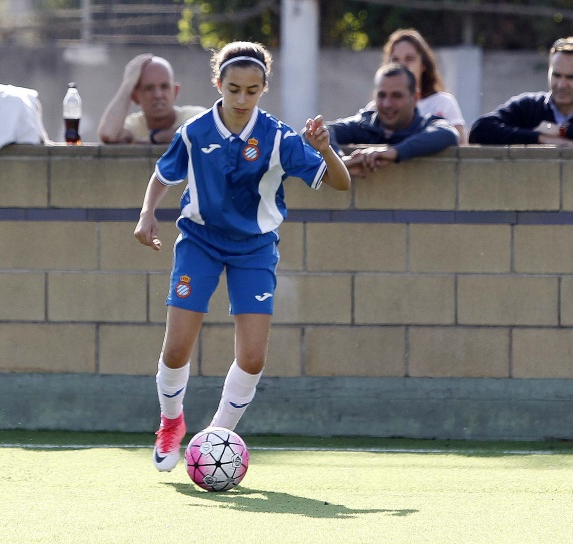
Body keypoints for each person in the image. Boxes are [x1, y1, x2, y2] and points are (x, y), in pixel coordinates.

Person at [134, 41, 350, 472]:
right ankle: (171, 422)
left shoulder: (280, 137)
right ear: (218, 83)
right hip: (199, 241)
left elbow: (341, 184)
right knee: (176, 349)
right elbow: (163, 174)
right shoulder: (195, 131)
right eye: (233, 88)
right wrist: (146, 214)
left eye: (252, 91)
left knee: (252, 357)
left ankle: (215, 437)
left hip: (254, 249)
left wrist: (325, 147)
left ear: (263, 89)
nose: (241, 99)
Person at [468, 36, 573, 146]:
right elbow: (480, 130)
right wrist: (541, 139)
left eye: (570, 77)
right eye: (556, 75)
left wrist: (563, 131)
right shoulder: (528, 107)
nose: (561, 84)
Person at [327, 63, 459, 178]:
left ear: (415, 98)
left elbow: (448, 133)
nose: (387, 104)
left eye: (396, 96)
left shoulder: (424, 124)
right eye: (382, 95)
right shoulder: (365, 124)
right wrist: (340, 162)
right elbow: (319, 131)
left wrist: (395, 153)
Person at [368, 28, 468, 144]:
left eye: (409, 59)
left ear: (423, 65)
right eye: (395, 60)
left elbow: (460, 151)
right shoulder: (375, 109)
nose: (402, 65)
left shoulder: (443, 104)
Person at [98, 54, 205, 144]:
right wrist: (127, 85)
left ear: (176, 92)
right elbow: (108, 134)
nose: (158, 95)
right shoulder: (134, 126)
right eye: (149, 88)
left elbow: (207, 129)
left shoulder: (195, 116)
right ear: (135, 97)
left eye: (164, 87)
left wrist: (155, 138)